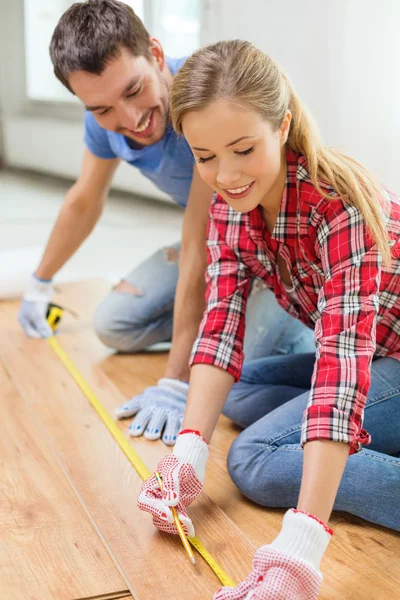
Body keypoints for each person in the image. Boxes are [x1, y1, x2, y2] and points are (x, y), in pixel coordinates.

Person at [137, 40, 400, 599]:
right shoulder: (234, 208)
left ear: (281, 127)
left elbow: (339, 372)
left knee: (255, 459)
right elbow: (220, 331)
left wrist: (299, 551)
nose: (225, 175)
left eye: (242, 149)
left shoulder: (341, 209)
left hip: (380, 357)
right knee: (236, 393)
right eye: (205, 157)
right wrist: (187, 454)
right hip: (377, 353)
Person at [18, 1, 315, 447]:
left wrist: (178, 380)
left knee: (235, 374)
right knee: (114, 324)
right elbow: (85, 200)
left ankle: (295, 326)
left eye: (134, 90)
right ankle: (226, 318)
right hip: (221, 245)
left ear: (155, 54)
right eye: (102, 109)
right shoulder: (106, 123)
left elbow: (197, 248)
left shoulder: (199, 107)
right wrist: (40, 282)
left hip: (278, 254)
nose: (128, 119)